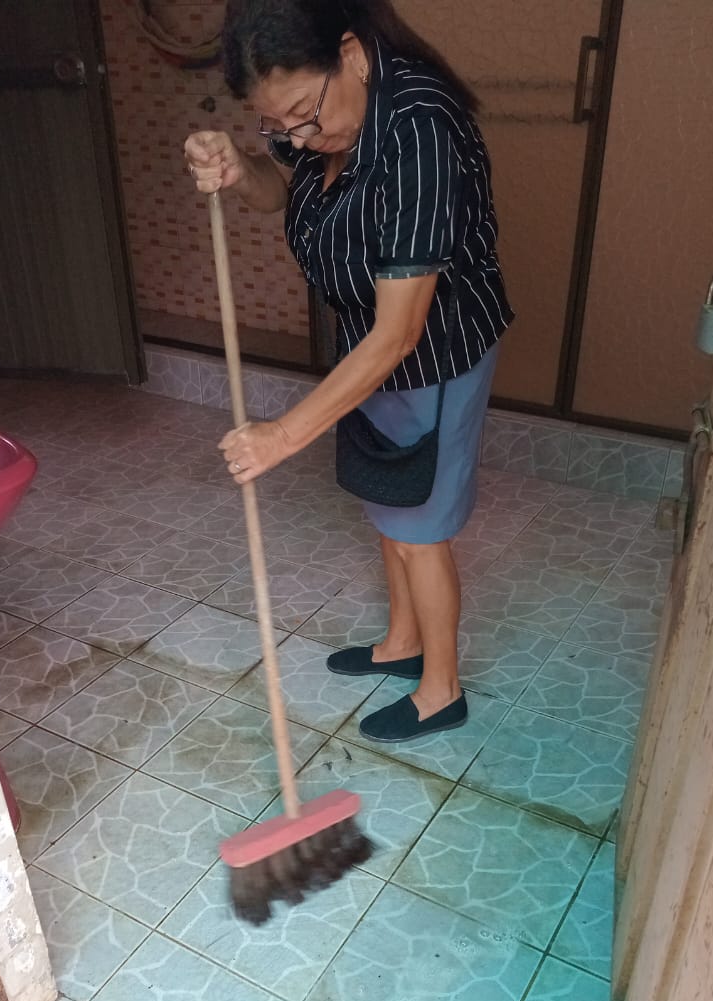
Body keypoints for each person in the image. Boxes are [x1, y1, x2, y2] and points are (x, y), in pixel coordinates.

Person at [185, 0, 513, 743]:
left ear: (353, 55)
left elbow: (401, 333)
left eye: (303, 113)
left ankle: (441, 689)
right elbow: (286, 188)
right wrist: (240, 168)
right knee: (388, 505)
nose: (299, 136)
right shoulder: (323, 120)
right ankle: (402, 642)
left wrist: (282, 436)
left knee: (420, 527)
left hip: (434, 353)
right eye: (277, 125)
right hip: (370, 345)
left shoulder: (421, 130)